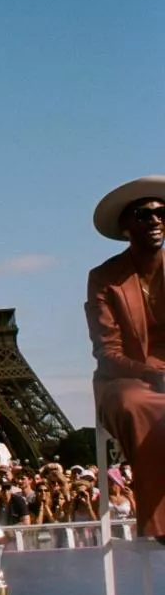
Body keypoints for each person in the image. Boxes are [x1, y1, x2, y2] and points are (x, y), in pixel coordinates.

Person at [87, 177, 165, 539]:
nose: (155, 220)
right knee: (138, 406)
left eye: (162, 212)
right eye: (143, 214)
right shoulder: (105, 278)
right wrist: (151, 373)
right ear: (125, 227)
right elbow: (107, 352)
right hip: (126, 378)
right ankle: (161, 525)